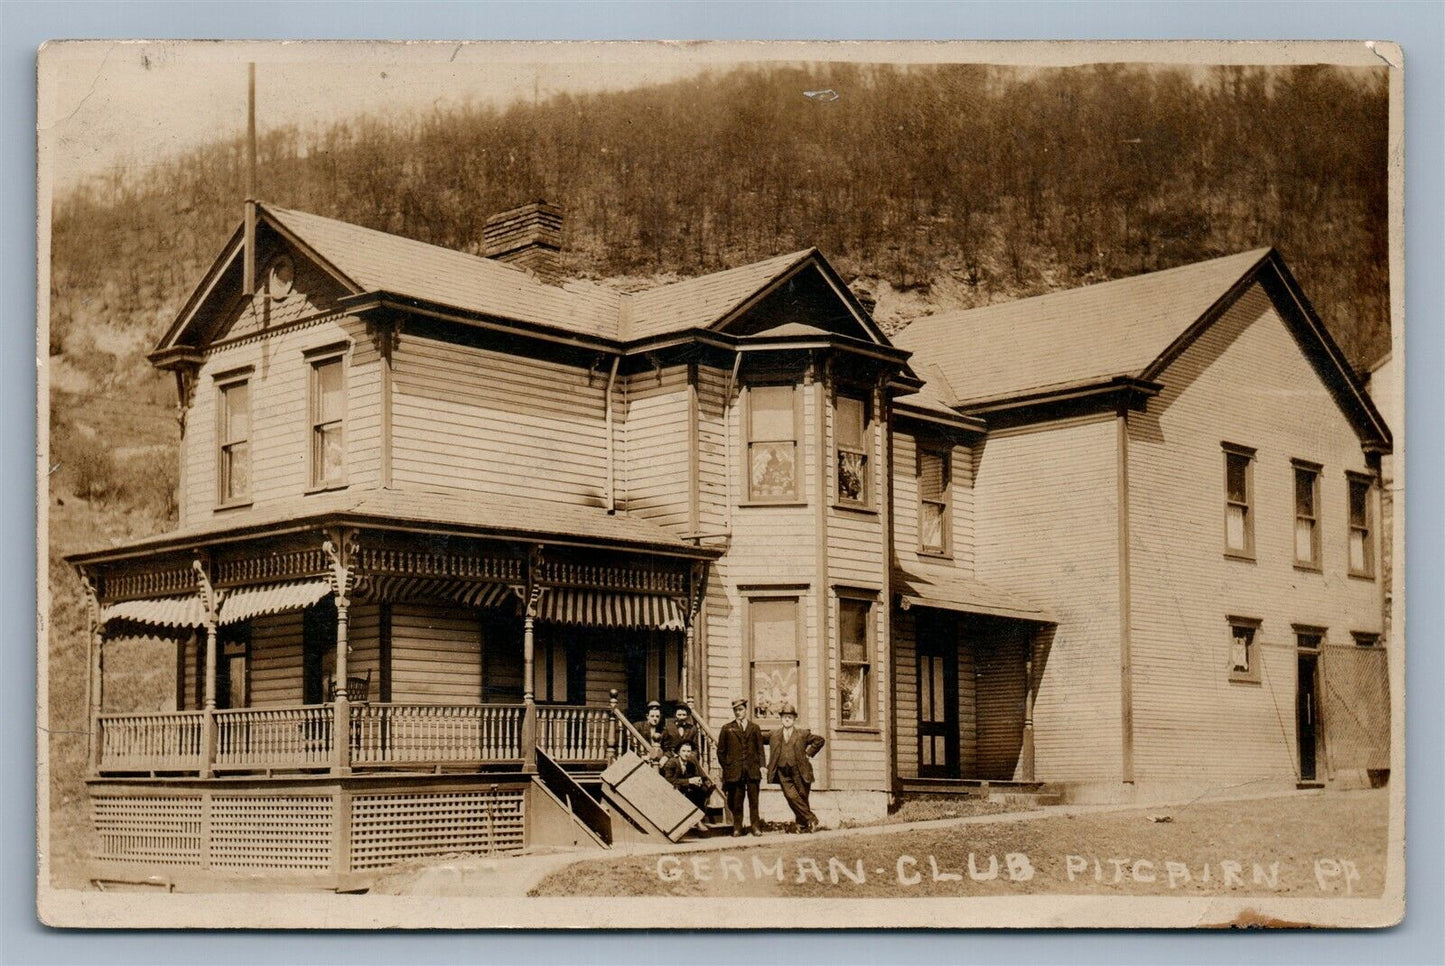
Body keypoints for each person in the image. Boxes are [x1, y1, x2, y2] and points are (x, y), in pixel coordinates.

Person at [766, 702, 825, 833]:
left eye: (790, 717)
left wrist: (809, 754)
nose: (787, 719)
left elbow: (820, 740)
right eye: (785, 717)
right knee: (791, 796)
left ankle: (803, 826)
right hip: (782, 771)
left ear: (794, 719)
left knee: (802, 796)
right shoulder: (774, 734)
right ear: (781, 718)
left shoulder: (802, 734)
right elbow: (757, 738)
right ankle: (811, 818)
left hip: (800, 771)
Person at [715, 697, 765, 836]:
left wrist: (762, 766)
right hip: (735, 772)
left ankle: (755, 827)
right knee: (737, 801)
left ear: (746, 710)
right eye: (736, 710)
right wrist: (728, 767)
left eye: (741, 709)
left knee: (754, 801)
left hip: (752, 771)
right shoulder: (727, 728)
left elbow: (760, 750)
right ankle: (737, 827)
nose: (738, 712)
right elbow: (720, 752)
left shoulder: (754, 728)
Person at [659, 740, 714, 811]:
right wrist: (689, 781)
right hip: (672, 791)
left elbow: (695, 776)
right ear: (679, 752)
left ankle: (698, 816)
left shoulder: (690, 764)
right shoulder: (672, 762)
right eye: (684, 751)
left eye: (688, 751)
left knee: (701, 790)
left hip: (684, 789)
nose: (686, 754)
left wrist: (698, 781)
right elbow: (668, 780)